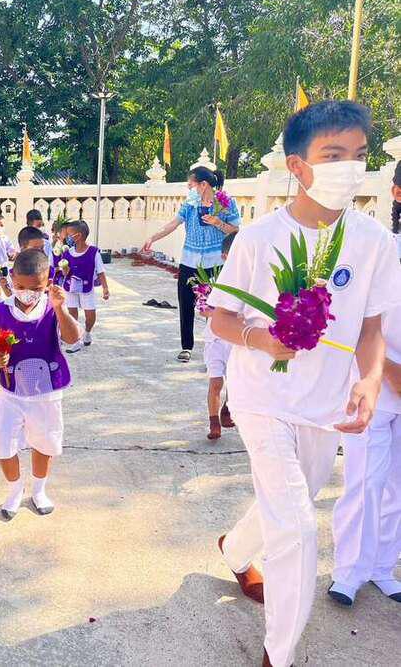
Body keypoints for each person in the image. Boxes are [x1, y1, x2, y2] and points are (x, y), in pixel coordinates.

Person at [208, 101, 401, 667]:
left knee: (292, 499)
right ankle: (280, 653)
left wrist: (370, 381)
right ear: (298, 165)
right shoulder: (259, 237)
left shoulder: (374, 241)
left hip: (324, 405)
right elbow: (221, 319)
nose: (350, 167)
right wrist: (261, 339)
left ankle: (235, 550)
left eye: (359, 155)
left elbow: (371, 328)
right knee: (296, 525)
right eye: (333, 155)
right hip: (261, 397)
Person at [329, 160, 401, 607]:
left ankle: (382, 567)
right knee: (365, 482)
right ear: (397, 194)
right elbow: (351, 318)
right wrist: (387, 371)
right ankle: (349, 571)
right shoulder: (378, 248)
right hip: (375, 383)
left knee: (398, 487)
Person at [0, 248, 81, 520]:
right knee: (4, 445)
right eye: (20, 287)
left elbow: (73, 338)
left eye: (36, 289)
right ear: (11, 278)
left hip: (46, 393)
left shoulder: (53, 308)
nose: (27, 293)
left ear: (48, 282)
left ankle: (39, 490)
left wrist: (60, 308)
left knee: (44, 442)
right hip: (10, 392)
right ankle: (15, 490)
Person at [143, 166, 240, 362]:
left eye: (191, 185)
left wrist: (217, 222)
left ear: (203, 185)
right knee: (186, 303)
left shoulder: (226, 203)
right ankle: (186, 346)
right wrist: (153, 238)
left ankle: (215, 348)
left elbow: (236, 230)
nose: (189, 188)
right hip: (189, 261)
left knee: (215, 305)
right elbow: (173, 224)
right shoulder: (190, 204)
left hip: (215, 262)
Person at [200, 232, 236, 440]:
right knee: (216, 382)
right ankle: (214, 423)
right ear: (224, 256)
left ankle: (227, 409)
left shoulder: (249, 283)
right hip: (215, 340)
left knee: (235, 381)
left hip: (237, 341)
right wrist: (221, 315)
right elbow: (203, 309)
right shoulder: (213, 281)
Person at [60, 220, 109, 352]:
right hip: (70, 287)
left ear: (79, 235)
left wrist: (105, 288)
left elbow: (100, 271)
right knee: (71, 314)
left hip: (86, 288)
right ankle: (76, 340)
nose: (67, 237)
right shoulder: (67, 253)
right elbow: (65, 273)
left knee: (90, 315)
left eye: (69, 234)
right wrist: (65, 269)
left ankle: (87, 332)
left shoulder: (93, 252)